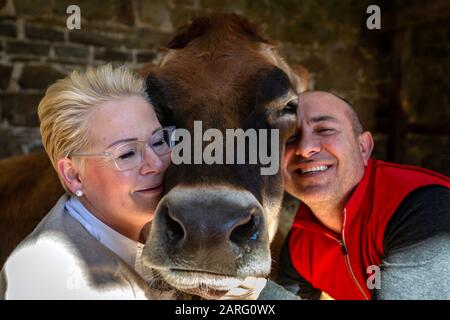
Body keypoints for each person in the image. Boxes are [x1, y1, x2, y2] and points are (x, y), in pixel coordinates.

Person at [277, 90, 450, 300]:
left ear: (363, 147)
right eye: (290, 137)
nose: (304, 148)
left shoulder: (424, 207)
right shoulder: (301, 240)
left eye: (324, 130)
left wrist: (257, 292)